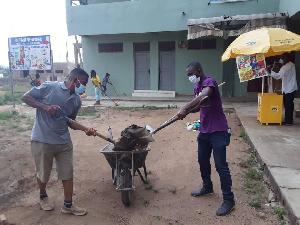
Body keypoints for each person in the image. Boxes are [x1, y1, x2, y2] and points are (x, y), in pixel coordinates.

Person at [21, 68, 96, 216]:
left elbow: (70, 121)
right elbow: (25, 97)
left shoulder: (77, 99)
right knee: (44, 174)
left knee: (67, 173)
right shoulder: (50, 87)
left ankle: (68, 205)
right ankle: (43, 195)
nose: (84, 87)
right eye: (84, 83)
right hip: (42, 139)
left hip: (64, 142)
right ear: (75, 80)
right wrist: (45, 107)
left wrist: (84, 129)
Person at [176, 61, 235, 216]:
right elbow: (200, 105)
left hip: (218, 129)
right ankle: (207, 186)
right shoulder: (197, 86)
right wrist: (187, 112)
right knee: (202, 160)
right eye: (188, 75)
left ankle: (229, 199)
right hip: (205, 129)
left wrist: (185, 107)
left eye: (191, 74)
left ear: (199, 71)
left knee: (221, 165)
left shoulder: (209, 82)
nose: (190, 77)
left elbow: (204, 96)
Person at [269, 53, 298, 126]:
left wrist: (269, 71)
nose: (280, 60)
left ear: (286, 59)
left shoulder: (284, 67)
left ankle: (288, 121)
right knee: (290, 104)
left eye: (282, 58)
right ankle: (289, 119)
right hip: (292, 87)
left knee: (288, 105)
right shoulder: (292, 64)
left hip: (288, 88)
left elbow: (278, 76)